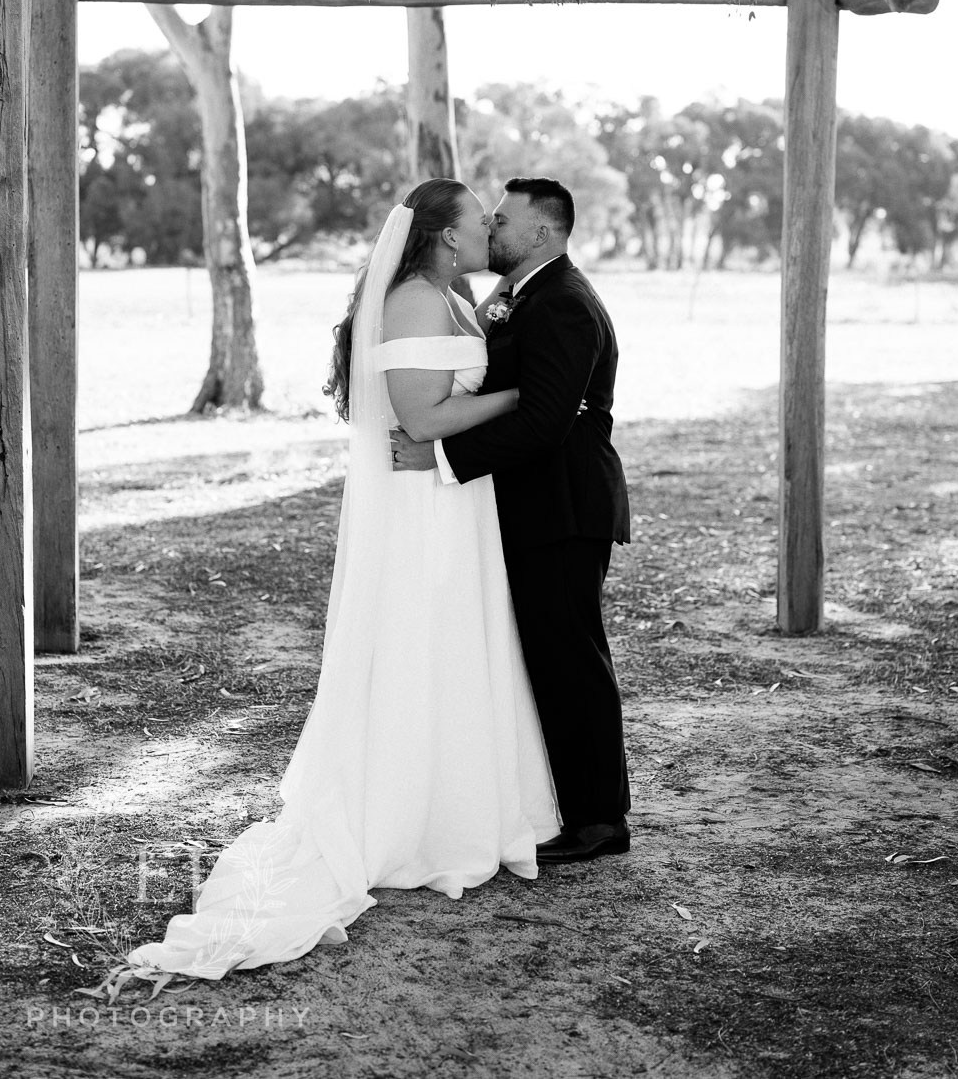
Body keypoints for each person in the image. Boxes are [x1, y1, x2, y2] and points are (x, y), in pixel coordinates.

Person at [113, 179, 560, 986]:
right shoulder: (418, 303)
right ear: (441, 237)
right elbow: (420, 422)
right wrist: (523, 397)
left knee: (454, 650)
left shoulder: (453, 298)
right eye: (474, 223)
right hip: (425, 508)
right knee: (419, 644)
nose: (485, 232)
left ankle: (454, 802)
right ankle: (403, 815)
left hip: (456, 503)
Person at [391, 177, 631, 863]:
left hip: (562, 507)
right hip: (537, 506)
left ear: (541, 234)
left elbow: (546, 423)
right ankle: (576, 805)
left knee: (573, 662)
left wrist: (440, 455)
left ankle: (599, 821)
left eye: (502, 220)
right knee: (551, 662)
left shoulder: (562, 304)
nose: (490, 229)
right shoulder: (523, 298)